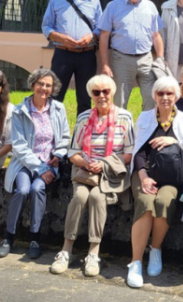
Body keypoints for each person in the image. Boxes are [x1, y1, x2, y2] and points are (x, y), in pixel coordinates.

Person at [50, 74, 134, 277]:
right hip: (84, 171)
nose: (102, 95)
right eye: (97, 92)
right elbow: (73, 152)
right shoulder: (83, 117)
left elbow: (129, 153)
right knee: (79, 197)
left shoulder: (125, 117)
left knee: (97, 197)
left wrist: (103, 164)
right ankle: (66, 250)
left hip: (110, 172)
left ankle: (93, 253)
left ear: (112, 92)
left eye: (106, 91)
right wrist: (87, 163)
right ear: (91, 95)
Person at [126, 76, 183, 288]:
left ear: (176, 96)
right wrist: (144, 177)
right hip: (144, 173)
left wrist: (174, 141)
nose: (165, 97)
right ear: (154, 96)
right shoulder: (146, 118)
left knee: (164, 201)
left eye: (169, 93)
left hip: (171, 177)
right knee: (147, 203)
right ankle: (135, 261)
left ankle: (155, 249)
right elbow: (139, 151)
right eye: (160, 93)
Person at [0, 69, 70, 260]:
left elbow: (64, 138)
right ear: (33, 84)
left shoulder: (58, 109)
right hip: (25, 162)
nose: (44, 88)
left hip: (49, 161)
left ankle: (34, 238)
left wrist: (59, 155)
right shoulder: (20, 110)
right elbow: (19, 146)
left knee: (38, 189)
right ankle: (9, 237)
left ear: (53, 88)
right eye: (40, 83)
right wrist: (41, 168)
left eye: (48, 85)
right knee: (23, 190)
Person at [42, 0, 102, 116]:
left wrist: (91, 36)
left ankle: (82, 135)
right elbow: (46, 26)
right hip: (63, 54)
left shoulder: (94, 2)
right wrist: (60, 37)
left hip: (87, 55)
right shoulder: (56, 0)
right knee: (55, 95)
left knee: (85, 97)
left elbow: (100, 28)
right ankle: (52, 133)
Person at [99, 0, 164, 111]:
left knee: (152, 98)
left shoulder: (150, 6)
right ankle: (120, 131)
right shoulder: (113, 6)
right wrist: (105, 64)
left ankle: (148, 130)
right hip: (121, 60)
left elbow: (156, 35)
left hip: (146, 59)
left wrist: (160, 58)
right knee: (120, 101)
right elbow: (104, 36)